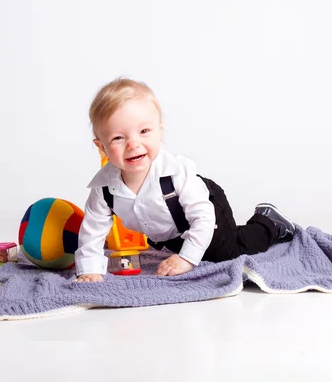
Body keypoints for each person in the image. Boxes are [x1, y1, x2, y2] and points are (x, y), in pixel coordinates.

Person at [75, 77, 295, 282]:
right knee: (195, 245)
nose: (133, 144)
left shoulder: (177, 174)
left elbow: (204, 218)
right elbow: (92, 231)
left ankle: (269, 222)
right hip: (171, 233)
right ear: (101, 147)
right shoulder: (104, 189)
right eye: (118, 138)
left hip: (206, 206)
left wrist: (187, 259)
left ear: (159, 132)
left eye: (144, 131)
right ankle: (217, 236)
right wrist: (89, 269)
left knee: (225, 251)